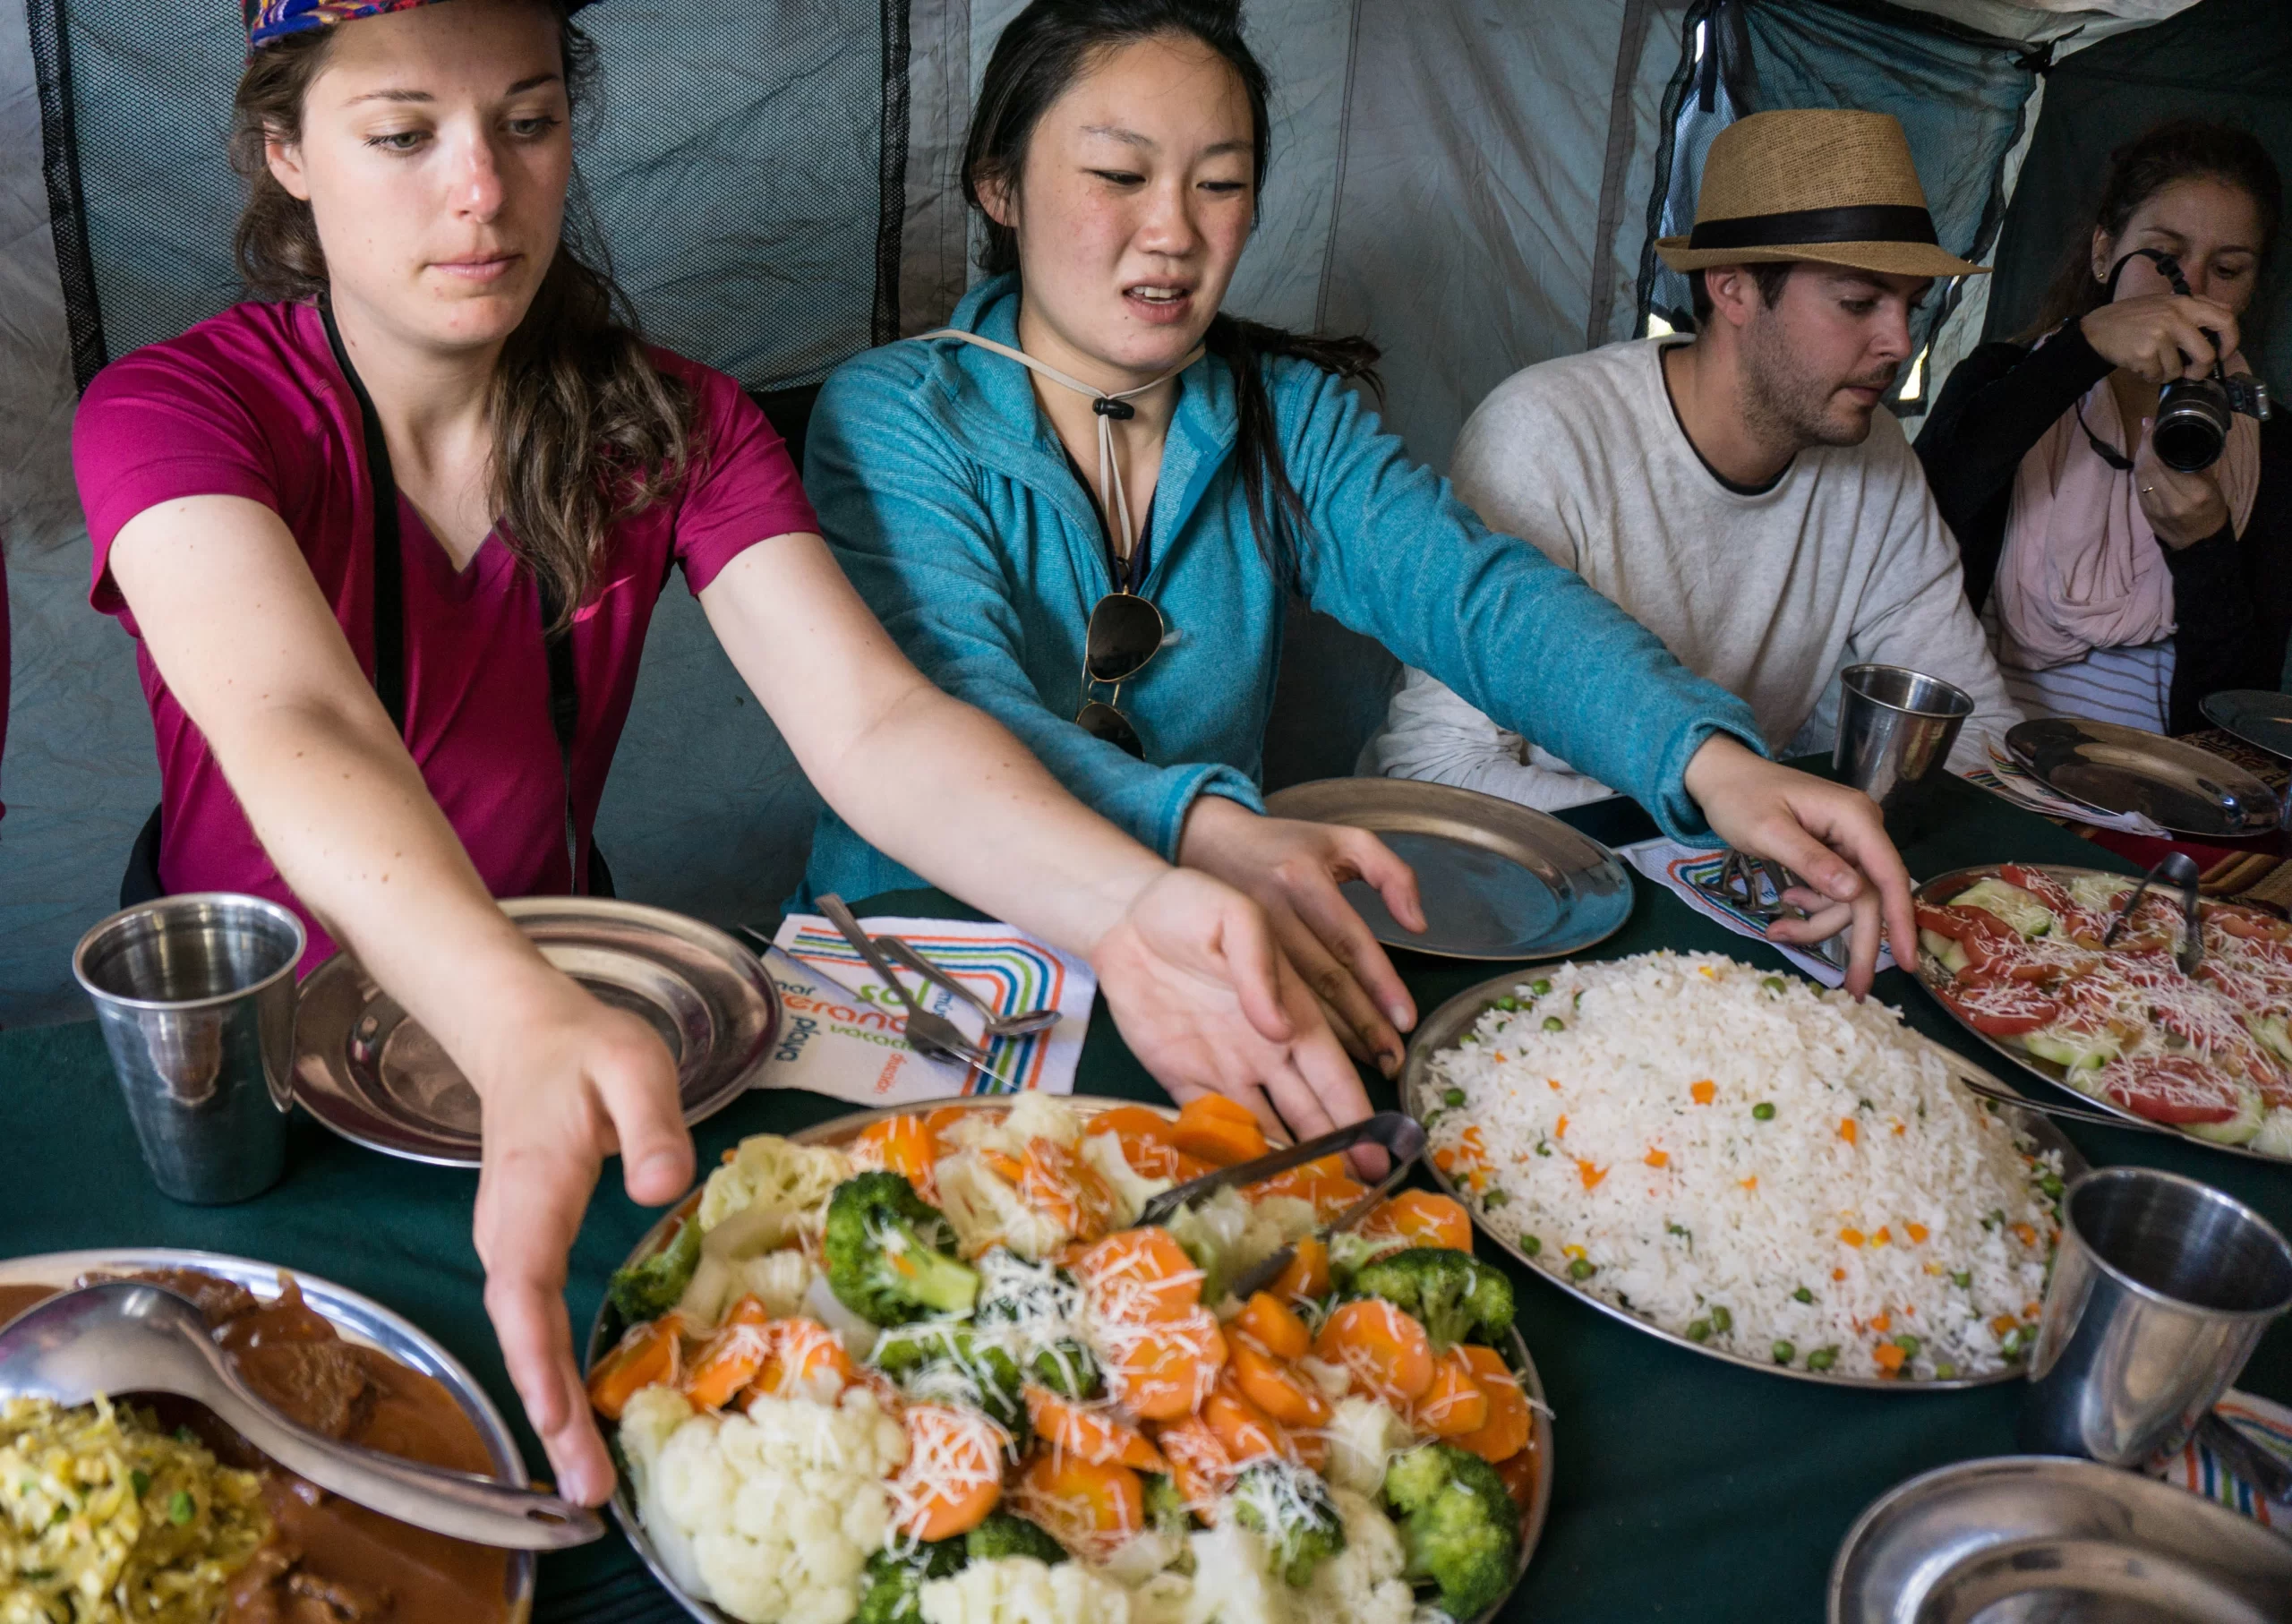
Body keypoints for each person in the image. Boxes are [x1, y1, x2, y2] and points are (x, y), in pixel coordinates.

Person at [74, 0, 1373, 1506]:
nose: (483, 188)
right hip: (264, 1074)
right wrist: (512, 1014)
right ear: (283, 148)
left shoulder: (669, 422)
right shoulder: (177, 409)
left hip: (555, 1053)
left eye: (530, 118)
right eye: (404, 135)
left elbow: (875, 723)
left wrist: (1126, 903)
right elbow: (295, 718)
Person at [800, 0, 1920, 1053]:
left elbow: (1473, 596)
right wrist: (1209, 828)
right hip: (924, 955)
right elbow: (958, 709)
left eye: (1221, 184)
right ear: (999, 185)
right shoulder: (899, 414)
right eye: (1117, 175)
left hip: (1200, 942)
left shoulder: (1281, 412)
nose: (1173, 233)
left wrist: (1711, 759)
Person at [1366, 109, 2020, 815]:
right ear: (1732, 288)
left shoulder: (1876, 453)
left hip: (1735, 865)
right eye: (1859, 302)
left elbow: (1977, 729)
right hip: (1536, 865)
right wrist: (1727, 815)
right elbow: (1435, 768)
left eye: (1912, 306)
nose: (1900, 342)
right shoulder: (1548, 436)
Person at [1917, 118, 2288, 735]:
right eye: (2164, 257)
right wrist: (2082, 350)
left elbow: (2238, 708)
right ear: (2102, 253)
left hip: (2146, 801)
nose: (2188, 287)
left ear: (2250, 292)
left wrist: (2204, 549)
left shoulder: (2268, 445)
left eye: (2227, 269)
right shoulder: (2002, 381)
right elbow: (1926, 515)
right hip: (1974, 771)